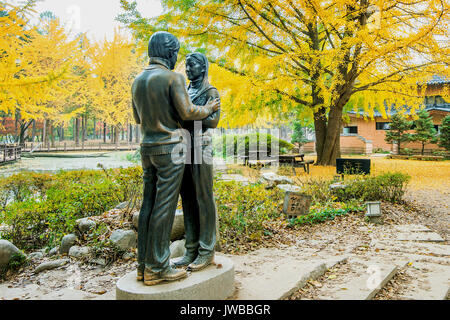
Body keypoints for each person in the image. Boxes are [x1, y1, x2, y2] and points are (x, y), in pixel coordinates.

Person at [131, 32, 220, 286]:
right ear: (169, 52)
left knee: (149, 205)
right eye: (180, 56)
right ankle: (157, 267)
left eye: (193, 63)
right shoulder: (173, 79)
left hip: (149, 148)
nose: (184, 63)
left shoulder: (137, 80)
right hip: (171, 149)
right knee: (165, 207)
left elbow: (139, 118)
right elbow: (189, 112)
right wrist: (208, 109)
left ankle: (144, 265)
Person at [172, 52, 221, 271]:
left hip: (201, 146)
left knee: (204, 197)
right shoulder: (185, 91)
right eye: (187, 65)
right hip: (182, 146)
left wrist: (189, 115)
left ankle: (206, 251)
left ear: (202, 68)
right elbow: (178, 116)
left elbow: (213, 121)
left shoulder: (210, 91)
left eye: (192, 66)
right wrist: (192, 114)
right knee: (188, 198)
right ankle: (190, 250)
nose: (188, 69)